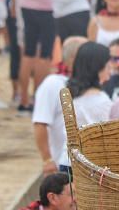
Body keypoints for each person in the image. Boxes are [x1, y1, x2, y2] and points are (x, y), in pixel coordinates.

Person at [34, 37, 87, 175]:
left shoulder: (87, 84)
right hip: (61, 165)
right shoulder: (53, 83)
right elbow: (40, 123)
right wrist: (47, 160)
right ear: (74, 58)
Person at [17, 0, 55, 112]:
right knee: (45, 55)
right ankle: (38, 98)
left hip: (27, 4)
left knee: (28, 53)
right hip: (47, 6)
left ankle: (24, 99)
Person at [68, 42, 113, 127]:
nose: (110, 71)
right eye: (108, 66)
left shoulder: (72, 98)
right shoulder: (101, 101)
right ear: (97, 67)